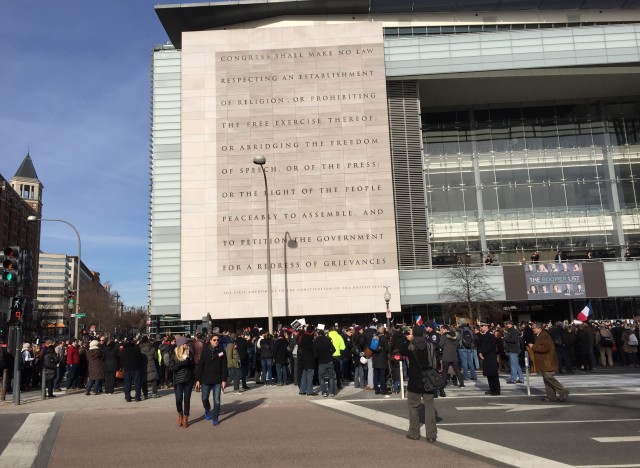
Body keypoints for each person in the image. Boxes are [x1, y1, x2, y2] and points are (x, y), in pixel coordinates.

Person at [398, 325, 438, 443]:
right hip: (428, 379)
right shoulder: (430, 345)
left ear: (413, 334)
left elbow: (401, 349)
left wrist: (407, 339)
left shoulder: (410, 346)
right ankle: (431, 435)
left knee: (413, 406)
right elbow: (434, 362)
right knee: (430, 407)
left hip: (414, 379)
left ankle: (414, 432)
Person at [531, 322, 569, 402]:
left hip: (547, 361)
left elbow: (546, 348)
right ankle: (551, 397)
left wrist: (533, 347)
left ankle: (563, 392)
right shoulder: (541, 335)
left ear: (539, 328)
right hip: (545, 361)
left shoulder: (544, 336)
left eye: (534, 328)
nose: (533, 329)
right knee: (546, 379)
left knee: (549, 377)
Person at [195, 334, 228, 426]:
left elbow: (224, 367)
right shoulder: (205, 352)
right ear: (210, 341)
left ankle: (215, 417)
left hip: (217, 379)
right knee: (204, 398)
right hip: (205, 379)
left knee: (217, 399)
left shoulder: (222, 352)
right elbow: (200, 366)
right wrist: (198, 379)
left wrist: (224, 380)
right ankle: (207, 409)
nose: (216, 341)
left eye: (217, 340)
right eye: (214, 340)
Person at [167, 336, 195, 428]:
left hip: (188, 379)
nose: (187, 345)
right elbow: (171, 368)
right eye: (185, 343)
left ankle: (185, 417)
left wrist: (189, 362)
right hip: (178, 380)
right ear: (180, 345)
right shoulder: (174, 354)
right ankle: (180, 414)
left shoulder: (189, 353)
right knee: (179, 399)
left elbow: (193, 366)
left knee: (187, 399)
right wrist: (180, 364)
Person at [477, 323, 500, 396]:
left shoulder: (491, 335)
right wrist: (480, 352)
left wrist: (482, 353)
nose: (481, 328)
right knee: (488, 374)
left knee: (493, 374)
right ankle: (491, 388)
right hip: (485, 356)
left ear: (486, 327)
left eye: (482, 326)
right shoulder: (482, 335)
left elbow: (490, 346)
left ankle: (496, 390)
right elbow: (479, 345)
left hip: (490, 356)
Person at [314, 329, 336, 397]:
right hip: (329, 360)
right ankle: (332, 392)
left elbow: (315, 354)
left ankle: (324, 392)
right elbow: (334, 349)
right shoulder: (328, 340)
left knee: (321, 377)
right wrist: (330, 354)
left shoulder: (316, 341)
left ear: (318, 334)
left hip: (321, 361)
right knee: (331, 377)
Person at [298, 324, 317, 396]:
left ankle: (302, 390)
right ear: (312, 331)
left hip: (303, 359)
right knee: (310, 375)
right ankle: (309, 391)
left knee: (304, 375)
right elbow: (312, 349)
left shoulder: (302, 337)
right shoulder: (309, 338)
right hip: (309, 360)